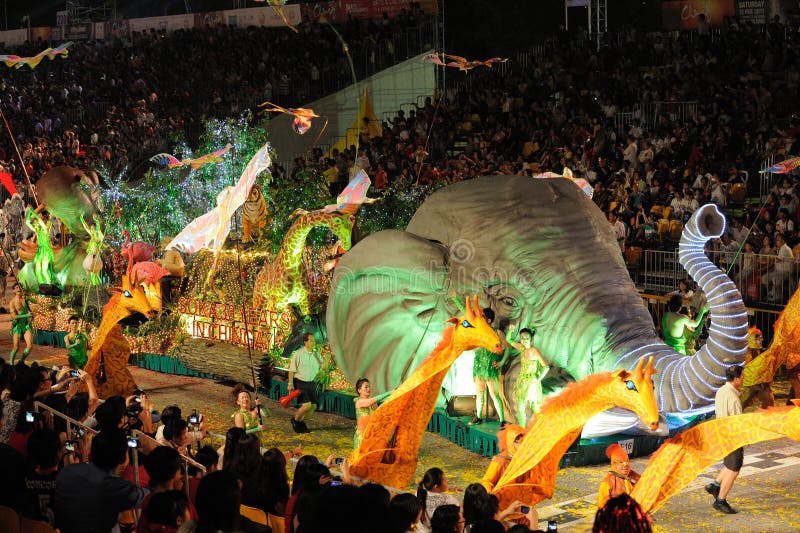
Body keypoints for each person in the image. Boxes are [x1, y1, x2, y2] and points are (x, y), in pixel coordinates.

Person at [54, 428, 149, 533]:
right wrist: (154, 452)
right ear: (123, 459)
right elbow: (150, 496)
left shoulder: (67, 472)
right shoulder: (116, 487)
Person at [705, 365, 744, 514]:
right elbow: (737, 421)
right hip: (732, 437)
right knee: (734, 469)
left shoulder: (722, 390)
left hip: (722, 434)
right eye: (742, 377)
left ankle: (715, 485)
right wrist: (743, 438)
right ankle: (720, 500)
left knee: (729, 465)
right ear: (735, 379)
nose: (743, 379)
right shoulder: (733, 397)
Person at [470, 308, 506, 426]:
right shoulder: (478, 332)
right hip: (479, 367)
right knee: (479, 392)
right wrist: (455, 299)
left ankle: (502, 420)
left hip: (491, 368)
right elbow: (466, 322)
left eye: (483, 317)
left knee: (494, 394)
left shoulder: (497, 333)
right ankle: (479, 416)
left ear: (489, 320)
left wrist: (501, 362)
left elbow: (508, 348)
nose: (480, 319)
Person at [508, 327, 549, 426]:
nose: (524, 340)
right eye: (522, 338)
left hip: (531, 382)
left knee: (535, 406)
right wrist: (510, 330)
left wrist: (537, 379)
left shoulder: (534, 351)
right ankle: (522, 430)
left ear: (531, 339)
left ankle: (543, 427)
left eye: (526, 338)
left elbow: (546, 367)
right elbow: (508, 340)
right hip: (522, 381)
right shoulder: (522, 348)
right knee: (520, 406)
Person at [288, 333, 322, 433]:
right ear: (305, 342)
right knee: (307, 405)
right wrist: (290, 383)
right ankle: (295, 420)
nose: (313, 342)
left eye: (314, 341)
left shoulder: (317, 354)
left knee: (313, 407)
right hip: (300, 382)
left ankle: (302, 424)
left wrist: (331, 358)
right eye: (311, 340)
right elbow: (291, 370)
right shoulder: (298, 354)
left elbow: (324, 367)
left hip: (312, 383)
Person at [596, 443, 641, 509]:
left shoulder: (635, 476)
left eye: (627, 461)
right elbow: (602, 506)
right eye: (621, 462)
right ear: (614, 464)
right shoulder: (608, 482)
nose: (625, 464)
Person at [417, 467, 459, 533]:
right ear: (436, 486)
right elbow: (461, 509)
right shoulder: (447, 499)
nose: (447, 481)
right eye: (445, 480)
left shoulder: (418, 494)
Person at [9, 283, 33, 364]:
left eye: (20, 287)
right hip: (18, 326)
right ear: (14, 290)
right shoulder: (12, 302)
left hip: (26, 325)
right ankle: (11, 363)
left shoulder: (26, 299)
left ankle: (21, 361)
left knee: (29, 346)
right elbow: (14, 317)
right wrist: (27, 315)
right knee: (16, 347)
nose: (19, 289)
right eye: (16, 287)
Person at [353, 378, 378, 448]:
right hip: (362, 436)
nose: (368, 389)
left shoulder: (373, 403)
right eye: (366, 387)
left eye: (369, 387)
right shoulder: (359, 401)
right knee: (361, 457)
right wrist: (391, 393)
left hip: (371, 435)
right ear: (359, 390)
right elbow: (375, 399)